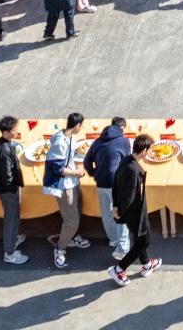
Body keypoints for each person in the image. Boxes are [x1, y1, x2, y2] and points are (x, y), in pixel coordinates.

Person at [107, 134, 159, 286]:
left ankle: (146, 264)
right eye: (149, 150)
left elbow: (116, 183)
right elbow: (129, 197)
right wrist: (119, 212)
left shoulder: (125, 160)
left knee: (138, 239)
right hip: (136, 213)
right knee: (144, 241)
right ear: (144, 151)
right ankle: (118, 269)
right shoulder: (134, 170)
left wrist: (116, 206)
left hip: (129, 212)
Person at [43, 112, 90, 269]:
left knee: (77, 210)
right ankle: (60, 248)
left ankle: (73, 236)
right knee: (71, 221)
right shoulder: (60, 143)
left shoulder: (69, 137)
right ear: (77, 126)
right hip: (64, 186)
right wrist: (77, 172)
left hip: (73, 182)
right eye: (81, 126)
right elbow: (57, 169)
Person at [84, 116, 132, 261]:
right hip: (116, 183)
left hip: (101, 182)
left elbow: (86, 161)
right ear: (122, 128)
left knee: (106, 211)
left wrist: (94, 173)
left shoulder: (97, 141)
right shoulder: (123, 141)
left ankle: (113, 239)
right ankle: (122, 249)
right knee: (121, 213)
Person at [0, 116, 29, 264]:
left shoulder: (3, 143)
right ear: (6, 132)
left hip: (5, 189)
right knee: (11, 219)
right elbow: (7, 177)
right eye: (14, 130)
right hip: (8, 191)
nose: (16, 132)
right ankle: (9, 252)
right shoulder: (5, 150)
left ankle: (12, 239)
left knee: (12, 216)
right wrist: (14, 189)